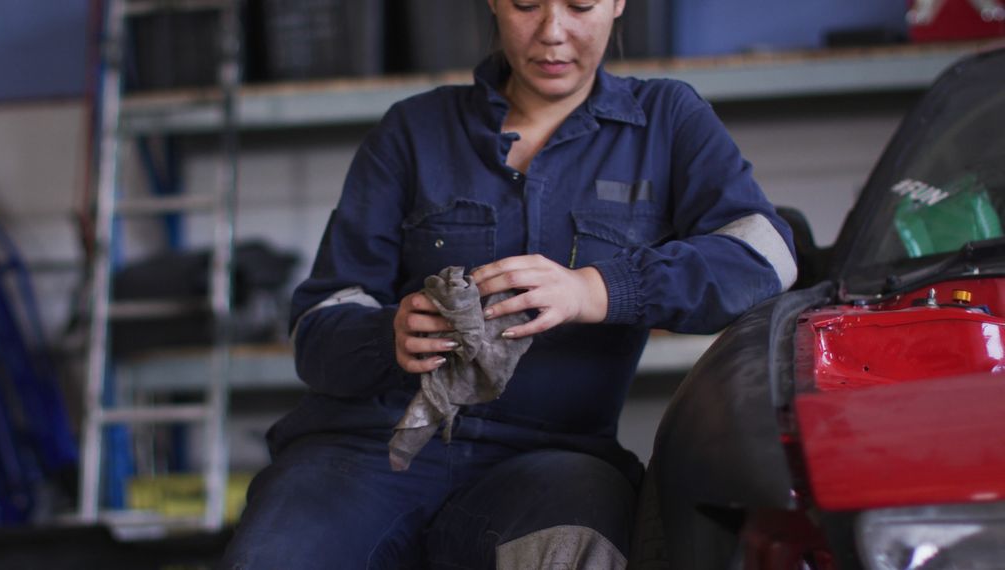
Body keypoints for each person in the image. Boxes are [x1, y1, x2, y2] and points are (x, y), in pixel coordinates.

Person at [220, 0, 796, 567]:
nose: (552, 31)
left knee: (578, 548)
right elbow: (318, 322)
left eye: (580, 5)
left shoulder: (668, 120)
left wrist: (598, 290)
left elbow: (763, 258)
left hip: (552, 461)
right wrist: (386, 335)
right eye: (526, 4)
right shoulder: (413, 130)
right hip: (369, 452)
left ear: (618, 3)